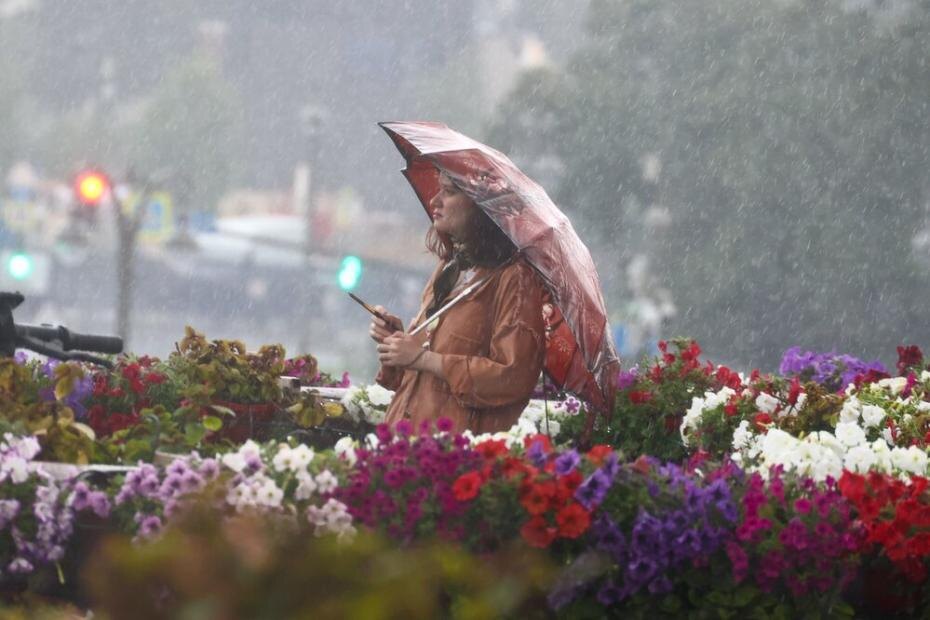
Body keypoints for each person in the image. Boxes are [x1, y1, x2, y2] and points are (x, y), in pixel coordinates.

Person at [370, 171, 546, 434]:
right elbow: (416, 377)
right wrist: (399, 342)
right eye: (439, 190)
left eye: (450, 192)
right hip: (404, 443)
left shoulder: (514, 278)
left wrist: (424, 359)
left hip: (454, 453)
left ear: (481, 209)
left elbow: (512, 376)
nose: (435, 201)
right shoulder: (449, 268)